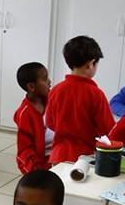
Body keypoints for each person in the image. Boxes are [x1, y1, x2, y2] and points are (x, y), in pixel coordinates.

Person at [45, 36, 115, 164]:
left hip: (58, 155)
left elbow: (50, 123)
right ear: (91, 64)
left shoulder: (56, 90)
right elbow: (108, 129)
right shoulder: (96, 94)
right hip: (84, 158)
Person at [14, 62, 52, 174]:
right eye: (45, 79)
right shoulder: (25, 114)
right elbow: (25, 150)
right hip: (39, 164)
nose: (49, 82)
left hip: (57, 156)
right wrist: (37, 172)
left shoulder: (53, 100)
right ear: (31, 87)